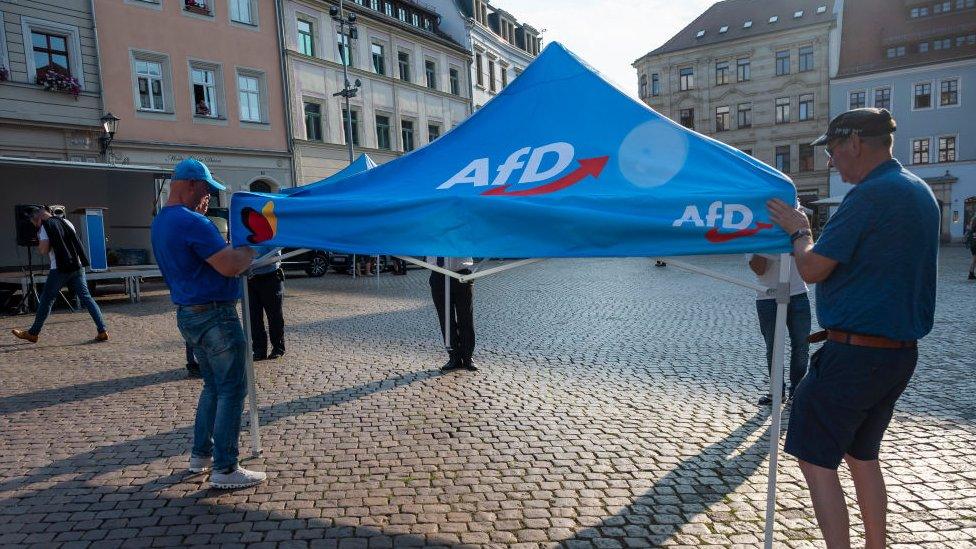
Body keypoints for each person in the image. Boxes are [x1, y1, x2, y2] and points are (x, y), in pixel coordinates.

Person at [767, 108, 939, 549]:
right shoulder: (917, 190)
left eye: (832, 150)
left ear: (855, 144)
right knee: (861, 454)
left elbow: (811, 267)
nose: (831, 161)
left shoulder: (869, 195)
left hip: (856, 355)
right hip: (898, 354)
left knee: (813, 458)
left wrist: (800, 231)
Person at [151, 158, 267, 489]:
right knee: (232, 388)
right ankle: (226, 468)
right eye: (205, 191)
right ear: (189, 185)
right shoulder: (193, 223)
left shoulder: (161, 222)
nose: (208, 199)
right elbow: (230, 265)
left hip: (189, 314)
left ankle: (201, 456)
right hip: (215, 315)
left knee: (213, 387)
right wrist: (253, 245)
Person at [11, 206, 108, 344]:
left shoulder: (45, 227)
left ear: (38, 219)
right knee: (87, 298)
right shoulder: (66, 222)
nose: (37, 227)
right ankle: (102, 330)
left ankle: (33, 333)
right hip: (77, 265)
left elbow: (44, 250)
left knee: (46, 299)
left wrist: (39, 237)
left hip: (59, 268)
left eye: (35, 224)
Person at [747, 253, 810, 405]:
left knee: (802, 345)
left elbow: (808, 257)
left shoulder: (796, 229)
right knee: (773, 347)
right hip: (767, 296)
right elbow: (759, 269)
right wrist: (768, 246)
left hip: (798, 292)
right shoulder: (758, 232)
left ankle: (797, 392)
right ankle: (776, 392)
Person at [427, 256, 476, 371]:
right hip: (438, 275)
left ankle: (468, 357)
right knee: (445, 318)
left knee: (465, 317)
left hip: (461, 274)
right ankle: (454, 356)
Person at [248, 246, 285, 361]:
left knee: (274, 316)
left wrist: (254, 259)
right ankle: (259, 350)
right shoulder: (245, 231)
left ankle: (278, 348)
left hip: (270, 277)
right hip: (251, 278)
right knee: (254, 317)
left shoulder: (270, 231)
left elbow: (276, 255)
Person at [966, 216, 976, 280]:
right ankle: (971, 273)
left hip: (973, 245)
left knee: (974, 259)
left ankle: (971, 273)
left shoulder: (972, 227)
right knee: (974, 259)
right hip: (975, 244)